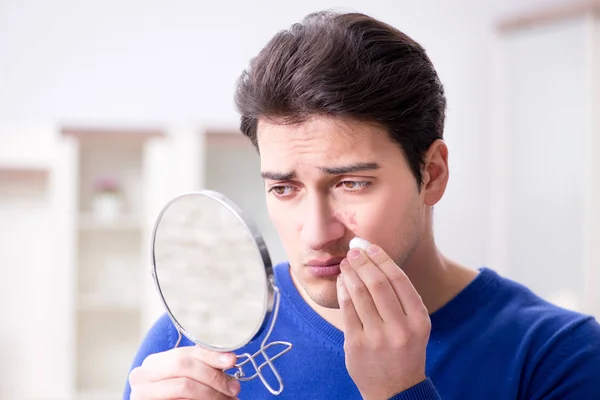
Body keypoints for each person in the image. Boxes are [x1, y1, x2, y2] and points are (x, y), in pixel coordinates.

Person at [123, 10, 600, 400]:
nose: (316, 233)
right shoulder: (189, 342)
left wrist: (400, 392)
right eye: (284, 189)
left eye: (351, 183)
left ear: (432, 173)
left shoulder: (557, 356)